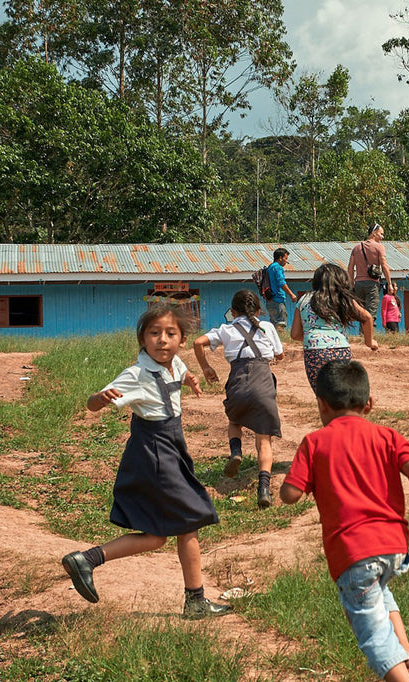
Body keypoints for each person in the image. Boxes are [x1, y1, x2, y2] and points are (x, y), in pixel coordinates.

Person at [280, 360, 409, 682]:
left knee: (372, 633)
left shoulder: (314, 442)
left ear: (321, 404)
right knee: (380, 595)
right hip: (393, 549)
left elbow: (290, 494)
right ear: (369, 403)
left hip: (352, 551)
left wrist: (293, 485)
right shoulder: (388, 436)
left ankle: (400, 674)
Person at [62, 304, 232, 619]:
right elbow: (92, 403)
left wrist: (192, 380)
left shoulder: (174, 363)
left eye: (170, 334)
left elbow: (181, 373)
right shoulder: (136, 373)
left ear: (182, 340)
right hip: (154, 452)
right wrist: (100, 399)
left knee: (156, 537)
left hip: (170, 448)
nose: (162, 340)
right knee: (191, 519)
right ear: (143, 339)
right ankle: (195, 601)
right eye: (154, 333)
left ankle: (87, 560)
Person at [194, 289, 285, 508]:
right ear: (259, 310)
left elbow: (198, 342)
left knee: (235, 420)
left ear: (233, 312)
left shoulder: (226, 329)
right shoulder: (268, 327)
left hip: (238, 382)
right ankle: (263, 488)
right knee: (264, 439)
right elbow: (280, 354)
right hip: (263, 382)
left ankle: (235, 452)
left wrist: (206, 367)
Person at [291, 263, 379, 392]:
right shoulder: (342, 297)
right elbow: (367, 317)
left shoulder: (304, 299)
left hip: (314, 352)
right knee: (341, 391)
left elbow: (295, 334)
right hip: (341, 350)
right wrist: (369, 342)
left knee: (322, 394)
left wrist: (314, 337)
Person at [348, 223, 393, 321]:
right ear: (374, 233)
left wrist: (351, 284)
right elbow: (384, 265)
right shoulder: (379, 247)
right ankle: (368, 335)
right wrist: (389, 283)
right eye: (381, 234)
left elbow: (350, 268)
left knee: (361, 313)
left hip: (358, 284)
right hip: (372, 285)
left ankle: (362, 335)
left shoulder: (356, 248)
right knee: (371, 314)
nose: (382, 237)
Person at [266, 247, 297, 328]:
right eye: (286, 258)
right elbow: (281, 282)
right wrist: (291, 294)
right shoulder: (278, 268)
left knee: (274, 324)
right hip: (278, 299)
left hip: (270, 299)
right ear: (280, 258)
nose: (286, 261)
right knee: (280, 323)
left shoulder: (270, 267)